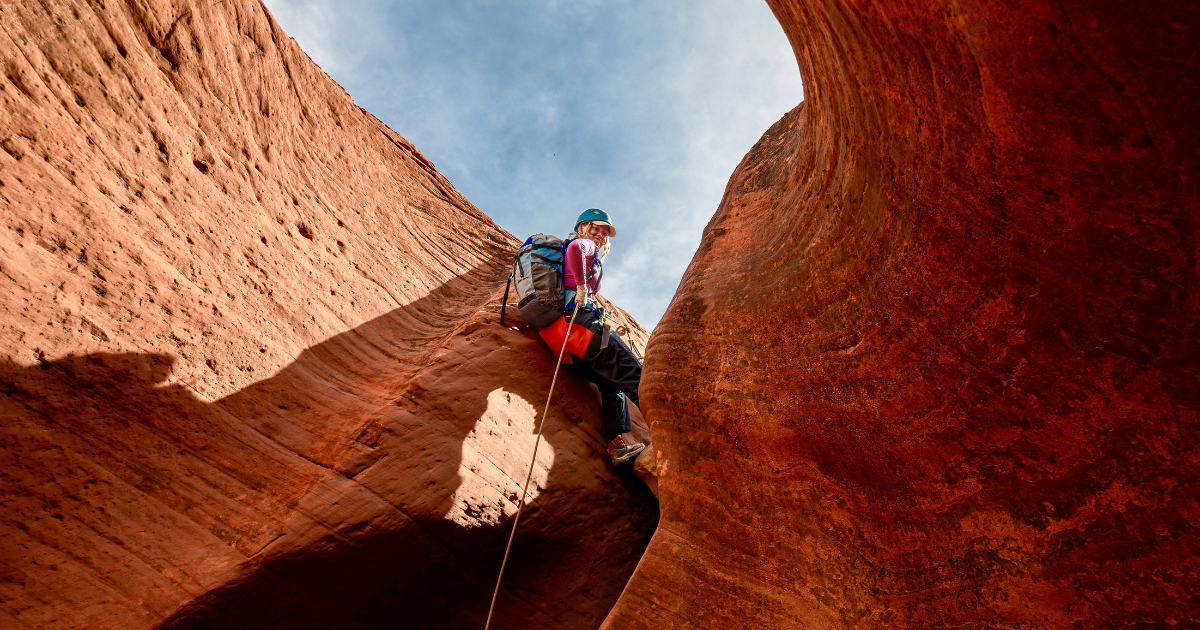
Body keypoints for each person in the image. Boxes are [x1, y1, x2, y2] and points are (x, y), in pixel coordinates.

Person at [539, 209, 647, 465]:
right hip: (579, 327)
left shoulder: (565, 253)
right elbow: (578, 249)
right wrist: (581, 288)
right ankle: (675, 432)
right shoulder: (582, 244)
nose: (599, 234)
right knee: (638, 379)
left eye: (604, 232)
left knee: (610, 384)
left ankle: (616, 445)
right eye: (595, 228)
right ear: (582, 228)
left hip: (560, 342)